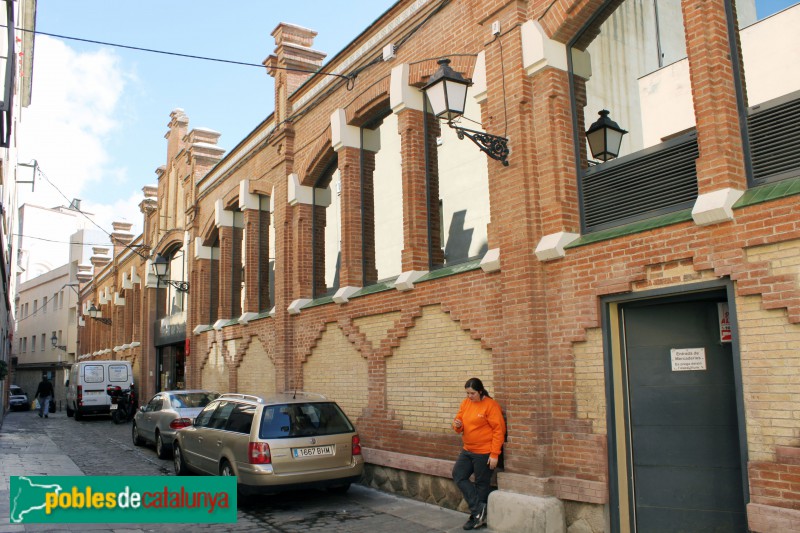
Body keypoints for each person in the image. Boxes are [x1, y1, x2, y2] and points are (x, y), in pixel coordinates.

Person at [452, 377, 506, 530]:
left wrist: (495, 454)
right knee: (458, 475)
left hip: (484, 452)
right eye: (467, 393)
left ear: (480, 391)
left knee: (482, 483)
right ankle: (479, 510)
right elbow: (459, 421)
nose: (469, 396)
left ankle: (476, 517)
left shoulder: (491, 405)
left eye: (472, 393)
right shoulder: (466, 403)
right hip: (468, 449)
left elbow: (499, 430)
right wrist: (457, 425)